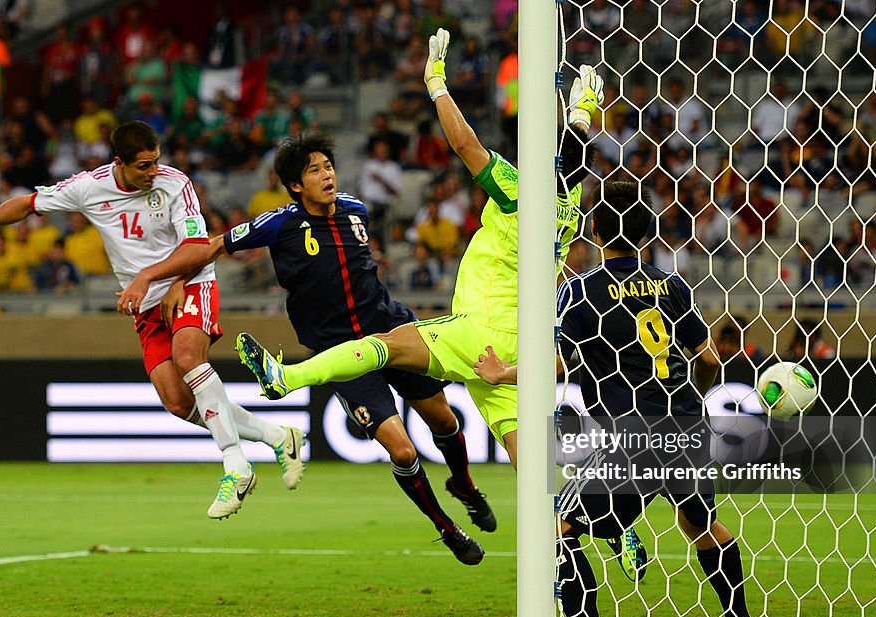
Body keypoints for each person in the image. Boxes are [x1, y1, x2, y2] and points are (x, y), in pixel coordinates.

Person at [234, 29, 601, 468]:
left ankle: (287, 377)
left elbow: (465, 144)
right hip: (521, 346)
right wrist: (584, 109)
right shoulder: (572, 200)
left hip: (480, 331)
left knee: (384, 346)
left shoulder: (518, 190)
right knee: (532, 472)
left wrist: (437, 84)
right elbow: (573, 156)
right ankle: (599, 525)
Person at [153, 130, 493, 565]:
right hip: (341, 352)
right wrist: (179, 281)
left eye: (328, 166)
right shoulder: (278, 224)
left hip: (390, 330)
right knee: (403, 451)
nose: (327, 174)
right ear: (296, 184)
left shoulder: (355, 210)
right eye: (314, 170)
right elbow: (216, 245)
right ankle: (446, 528)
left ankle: (463, 484)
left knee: (443, 419)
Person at [474, 180, 760, 617]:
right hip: (687, 424)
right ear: (648, 232)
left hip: (632, 435)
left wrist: (504, 374)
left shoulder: (580, 289)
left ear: (594, 232)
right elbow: (709, 355)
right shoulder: (673, 284)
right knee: (701, 525)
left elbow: (559, 363)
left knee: (555, 526)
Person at [0, 121, 303, 520]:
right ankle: (279, 436)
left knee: (189, 358)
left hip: (189, 283)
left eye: (155, 161)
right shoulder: (89, 186)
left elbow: (198, 247)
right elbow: (29, 203)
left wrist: (151, 277)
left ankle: (235, 466)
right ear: (118, 163)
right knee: (177, 401)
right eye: (143, 165)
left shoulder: (175, 184)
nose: (153, 171)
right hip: (146, 304)